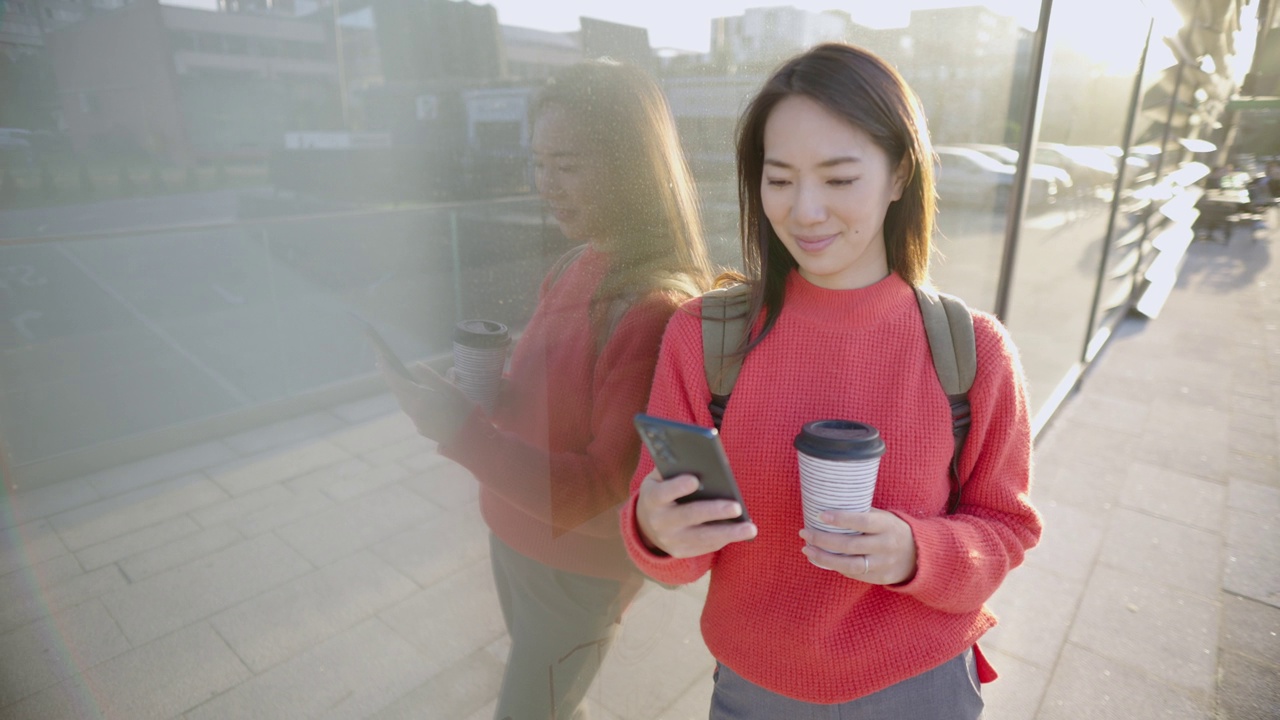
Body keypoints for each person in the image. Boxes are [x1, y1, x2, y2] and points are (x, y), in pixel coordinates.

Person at [620, 43, 1043, 718]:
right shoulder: (703, 336)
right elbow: (666, 539)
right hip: (752, 689)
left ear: (900, 174)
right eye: (780, 179)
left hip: (921, 685)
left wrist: (919, 551)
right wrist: (654, 527)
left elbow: (1006, 528)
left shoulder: (974, 351)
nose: (805, 211)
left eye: (839, 179)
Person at [379, 60, 714, 719]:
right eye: (539, 162)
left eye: (568, 164)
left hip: (575, 570)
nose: (546, 185)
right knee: (555, 698)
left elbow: (599, 489)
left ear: (630, 165)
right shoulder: (574, 262)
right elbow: (543, 404)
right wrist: (482, 398)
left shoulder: (653, 310)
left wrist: (460, 430)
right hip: (520, 536)